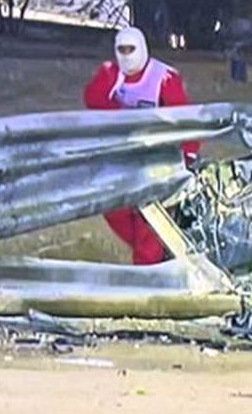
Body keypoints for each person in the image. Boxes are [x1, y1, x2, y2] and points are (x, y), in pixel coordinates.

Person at [83, 26, 193, 265]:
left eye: (130, 49)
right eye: (120, 49)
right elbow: (93, 101)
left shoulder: (164, 78)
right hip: (123, 158)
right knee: (115, 209)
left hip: (158, 158)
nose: (126, 55)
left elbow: (185, 119)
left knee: (150, 220)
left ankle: (149, 272)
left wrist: (186, 155)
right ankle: (159, 252)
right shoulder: (110, 74)